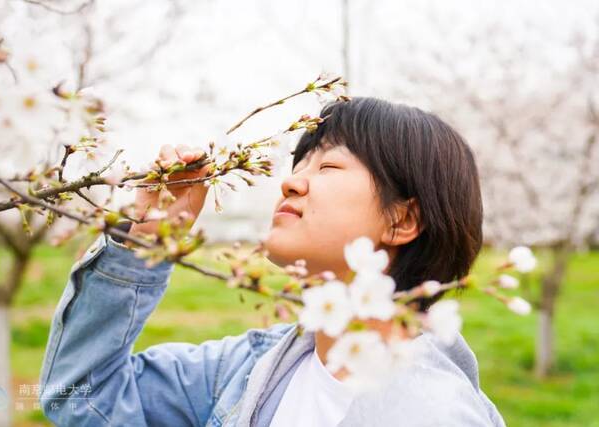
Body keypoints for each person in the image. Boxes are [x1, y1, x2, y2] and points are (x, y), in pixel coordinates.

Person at [39, 97, 506, 426]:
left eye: (328, 167)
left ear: (402, 220)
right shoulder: (246, 369)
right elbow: (81, 394)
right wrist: (144, 243)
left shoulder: (437, 413)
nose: (292, 183)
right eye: (298, 165)